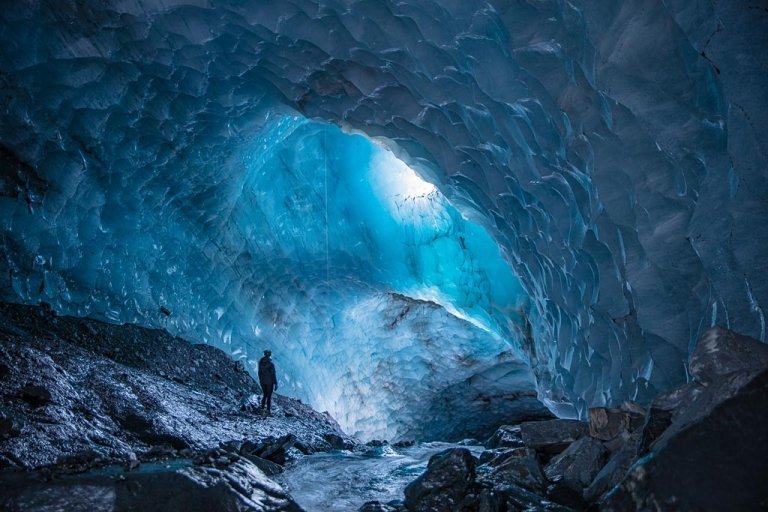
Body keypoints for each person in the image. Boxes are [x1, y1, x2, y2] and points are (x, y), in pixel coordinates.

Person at [258, 350, 277, 416]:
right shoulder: (271, 364)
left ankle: (262, 410)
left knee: (264, 395)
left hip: (263, 381)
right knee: (269, 397)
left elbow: (259, 373)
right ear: (269, 355)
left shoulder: (260, 363)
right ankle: (268, 411)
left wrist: (261, 380)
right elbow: (273, 374)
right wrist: (275, 383)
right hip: (270, 382)